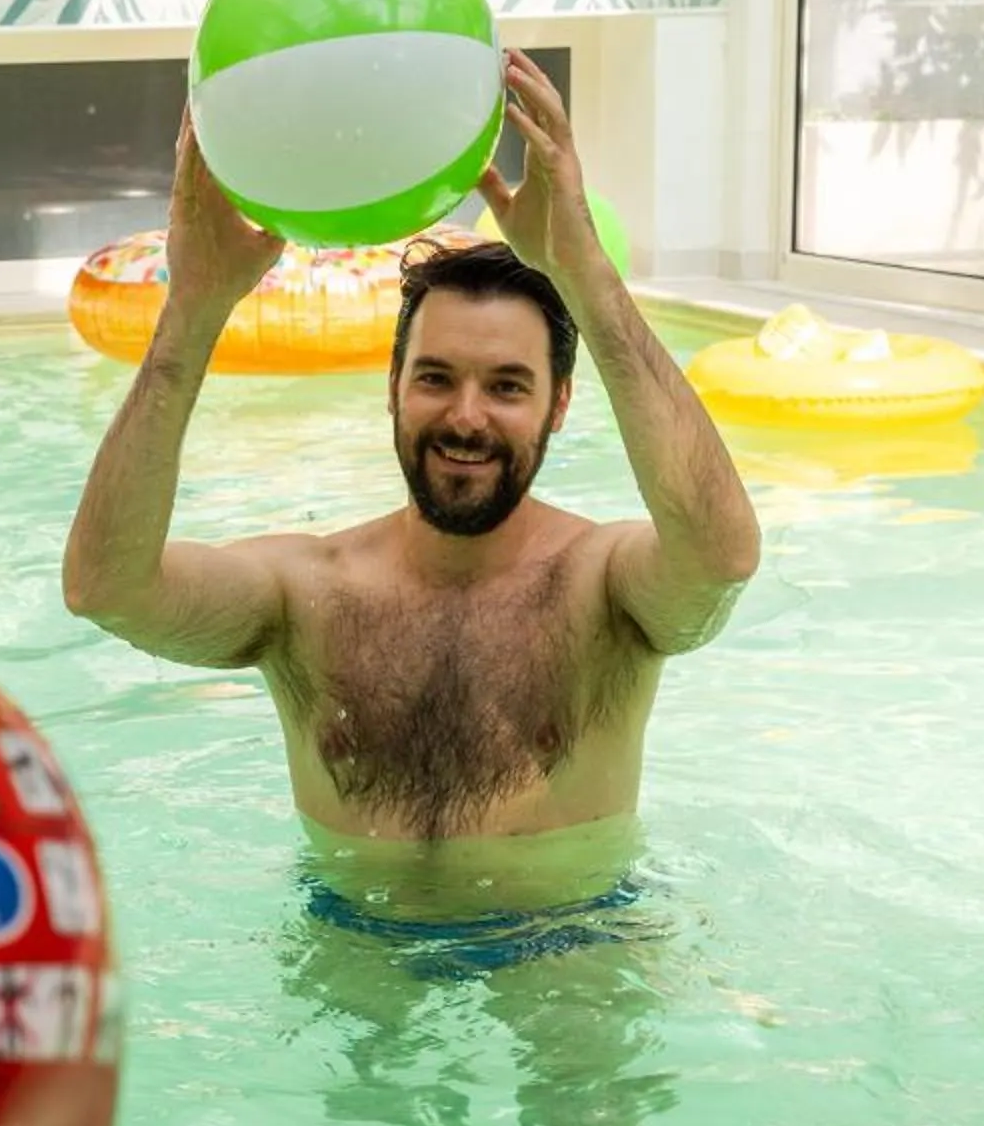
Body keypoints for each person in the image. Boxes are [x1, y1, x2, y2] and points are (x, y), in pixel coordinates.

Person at [63, 50, 761, 936]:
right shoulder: (306, 592)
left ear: (557, 408)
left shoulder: (602, 586)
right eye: (435, 378)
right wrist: (194, 308)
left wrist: (585, 276)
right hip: (354, 936)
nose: (465, 417)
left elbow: (723, 555)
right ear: (391, 388)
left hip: (571, 934)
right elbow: (106, 589)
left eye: (508, 387)